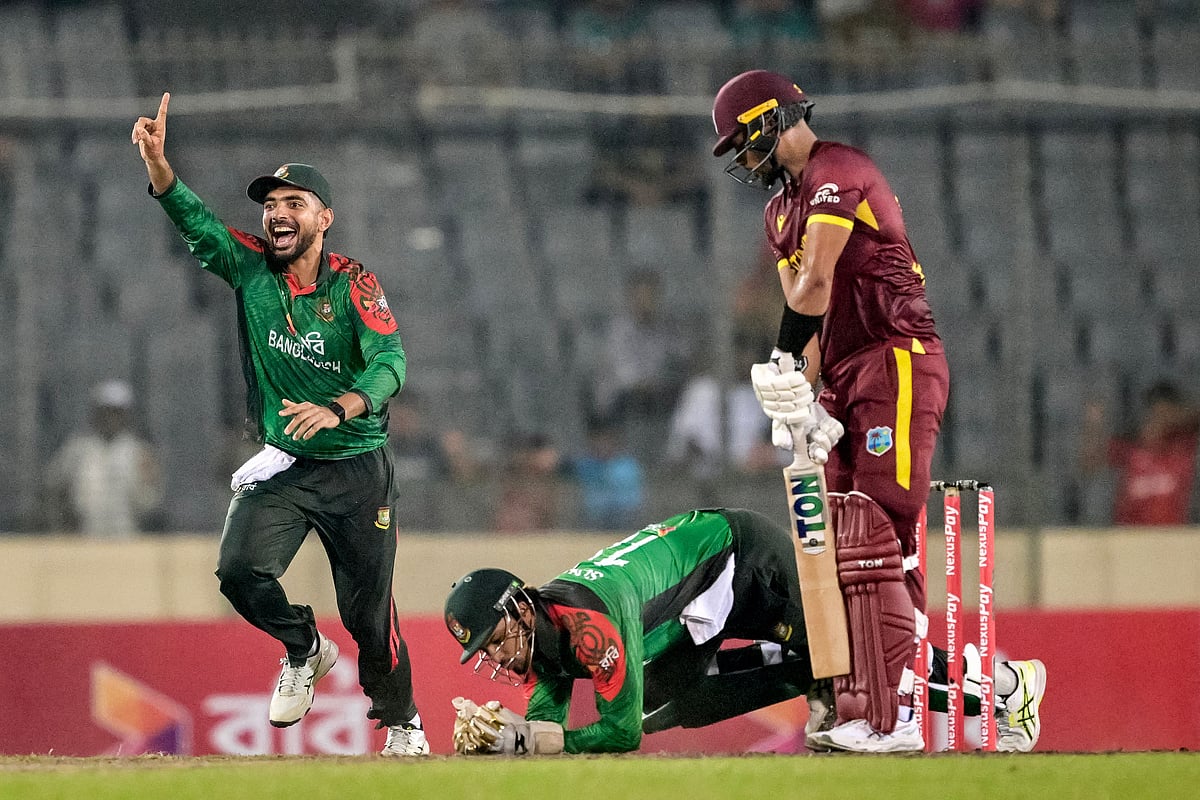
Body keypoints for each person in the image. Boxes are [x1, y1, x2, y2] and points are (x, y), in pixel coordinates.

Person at [711, 69, 1047, 751]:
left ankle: (895, 717)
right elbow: (809, 316)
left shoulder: (840, 168)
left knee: (876, 536)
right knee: (848, 549)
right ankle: (996, 690)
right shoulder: (778, 214)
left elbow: (816, 279)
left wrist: (780, 360)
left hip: (897, 357)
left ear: (772, 118)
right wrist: (799, 398)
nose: (744, 158)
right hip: (842, 376)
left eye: (744, 140)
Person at [131, 93, 428, 756]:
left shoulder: (354, 284)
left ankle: (403, 723)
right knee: (238, 572)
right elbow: (197, 223)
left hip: (358, 469)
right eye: (270, 204)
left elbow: (391, 361)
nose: (277, 213)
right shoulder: (249, 266)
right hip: (288, 461)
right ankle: (304, 647)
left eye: (294, 202)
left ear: (325, 218)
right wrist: (159, 166)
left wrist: (340, 407)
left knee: (368, 619)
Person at [442, 507, 1047, 755]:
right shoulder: (544, 631)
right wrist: (511, 737)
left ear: (519, 609)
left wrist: (534, 742)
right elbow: (547, 715)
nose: (496, 656)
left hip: (743, 562)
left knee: (853, 663)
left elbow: (618, 735)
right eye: (484, 651)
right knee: (661, 702)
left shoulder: (586, 626)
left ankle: (1006, 687)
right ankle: (810, 679)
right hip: (698, 599)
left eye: (495, 638)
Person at [44, 379, 163, 537]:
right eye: (106, 411)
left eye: (117, 412)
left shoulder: (138, 451)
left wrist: (148, 481)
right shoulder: (77, 449)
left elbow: (150, 503)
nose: (111, 418)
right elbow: (53, 489)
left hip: (126, 537)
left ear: (126, 415)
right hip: (84, 537)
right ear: (96, 413)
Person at [1081, 380, 1200, 525]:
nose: (1160, 420)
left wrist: (1174, 418)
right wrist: (1094, 423)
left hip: (1172, 534)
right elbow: (1089, 462)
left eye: (1166, 414)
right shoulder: (1130, 448)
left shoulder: (1182, 447)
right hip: (1131, 534)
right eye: (1155, 414)